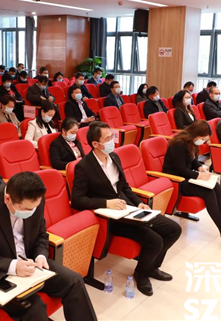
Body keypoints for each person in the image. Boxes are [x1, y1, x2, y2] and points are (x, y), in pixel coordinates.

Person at [0, 171, 98, 321]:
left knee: (74, 281)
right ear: (7, 199)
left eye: (34, 208)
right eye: (26, 209)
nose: (32, 212)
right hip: (2, 273)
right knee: (35, 308)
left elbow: (41, 234)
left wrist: (41, 255)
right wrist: (14, 266)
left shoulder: (35, 200)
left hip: (32, 263)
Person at [71, 121, 181, 296]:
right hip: (111, 217)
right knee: (155, 240)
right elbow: (77, 200)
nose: (112, 141)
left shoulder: (114, 157)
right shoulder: (84, 166)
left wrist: (138, 203)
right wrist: (106, 203)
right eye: (107, 139)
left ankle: (150, 267)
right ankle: (142, 274)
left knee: (174, 229)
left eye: (112, 137)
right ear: (95, 144)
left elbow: (124, 187)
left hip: (129, 208)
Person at [163, 121, 221, 241]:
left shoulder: (190, 142)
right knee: (208, 192)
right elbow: (180, 168)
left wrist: (200, 167)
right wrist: (199, 175)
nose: (203, 141)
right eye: (202, 138)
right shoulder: (179, 143)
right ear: (195, 134)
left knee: (216, 186)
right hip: (176, 179)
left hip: (186, 176)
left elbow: (192, 159)